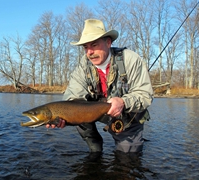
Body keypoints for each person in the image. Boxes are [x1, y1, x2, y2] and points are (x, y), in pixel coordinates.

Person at [46, 19, 153, 153]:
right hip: (94, 111)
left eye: (94, 45)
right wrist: (63, 118)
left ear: (108, 42)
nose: (89, 52)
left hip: (127, 116)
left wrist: (123, 102)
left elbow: (145, 95)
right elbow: (72, 98)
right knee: (78, 112)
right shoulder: (83, 66)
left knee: (127, 156)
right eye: (86, 47)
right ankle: (95, 148)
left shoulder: (130, 59)